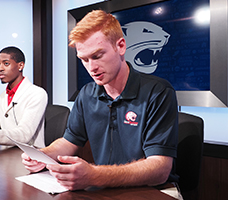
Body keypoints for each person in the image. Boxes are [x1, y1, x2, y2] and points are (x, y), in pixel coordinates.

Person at [22, 10, 179, 191]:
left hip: (152, 191)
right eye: (84, 59)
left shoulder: (158, 92)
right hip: (105, 187)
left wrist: (94, 175)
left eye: (97, 56)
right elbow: (68, 142)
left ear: (120, 46)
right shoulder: (86, 94)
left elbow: (160, 169)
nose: (92, 68)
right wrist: (42, 155)